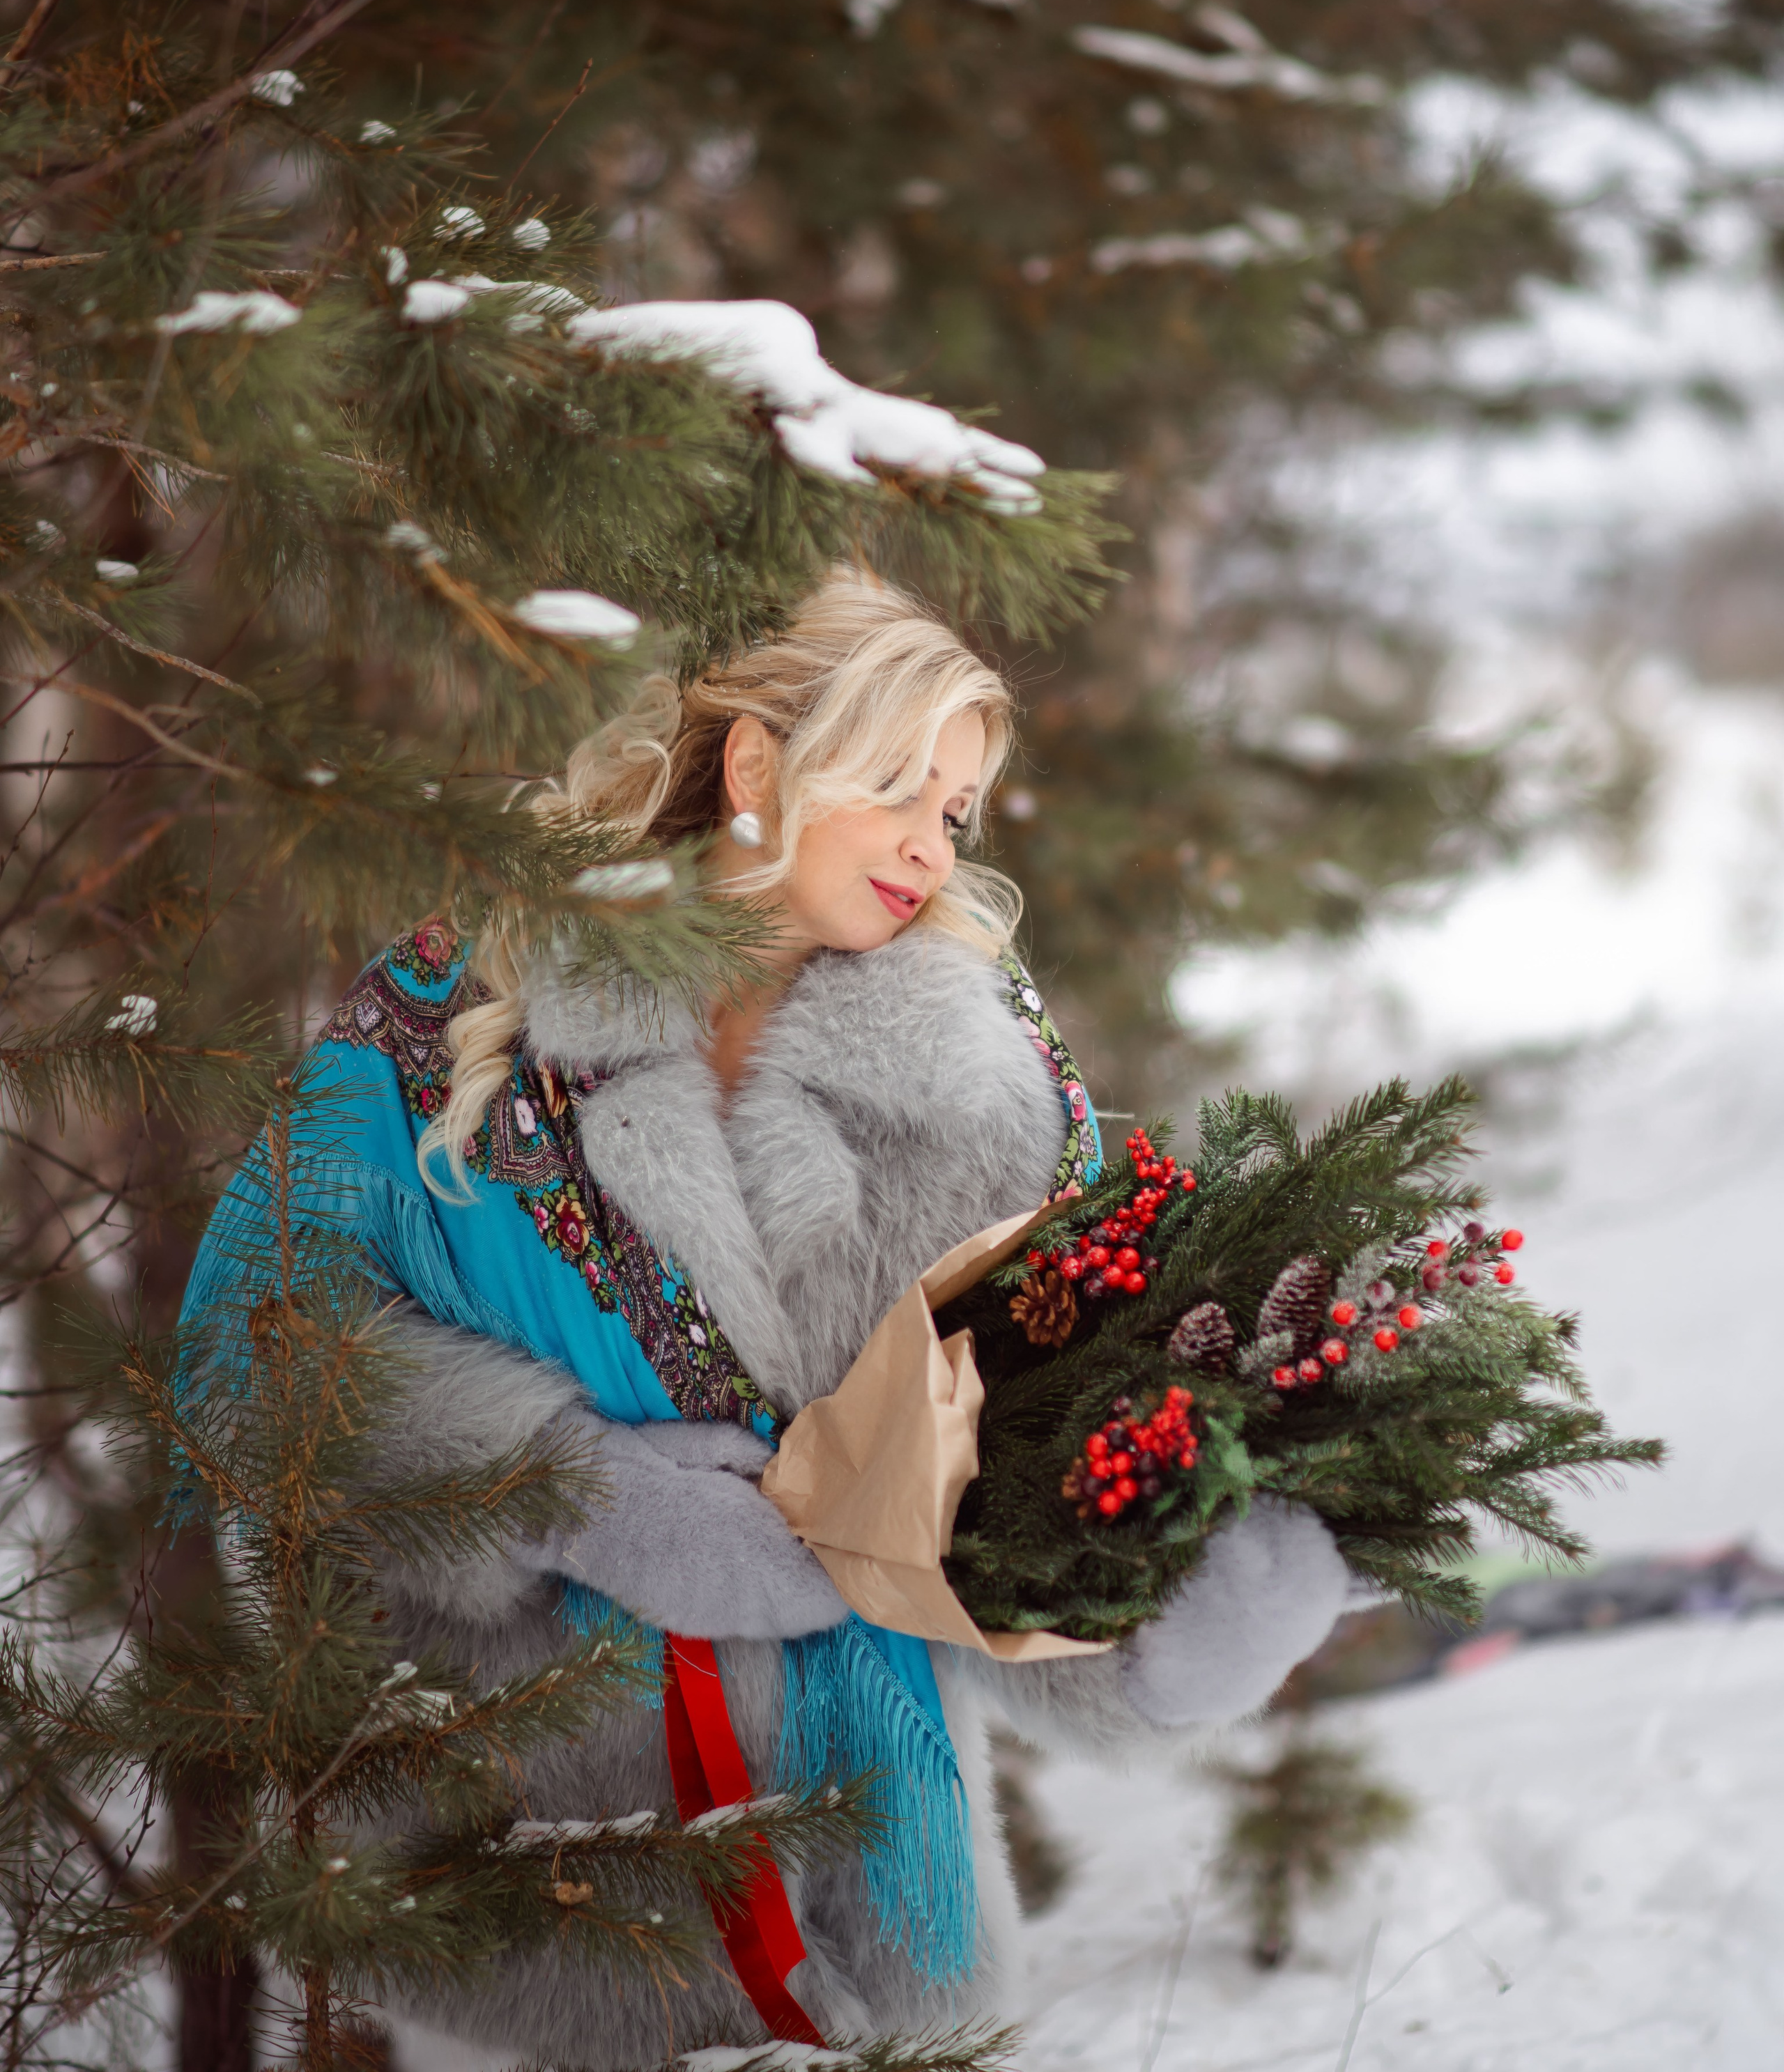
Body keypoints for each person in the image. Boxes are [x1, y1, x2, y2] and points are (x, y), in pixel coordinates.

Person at [185, 571, 1347, 2068]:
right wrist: (572, 1494)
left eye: (960, 810)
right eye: (899, 790)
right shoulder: (461, 1011)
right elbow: (256, 1346)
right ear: (754, 766)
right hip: (537, 1904)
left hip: (885, 1920)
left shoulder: (986, 1101)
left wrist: (1177, 1633)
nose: (933, 846)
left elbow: (999, 1505)